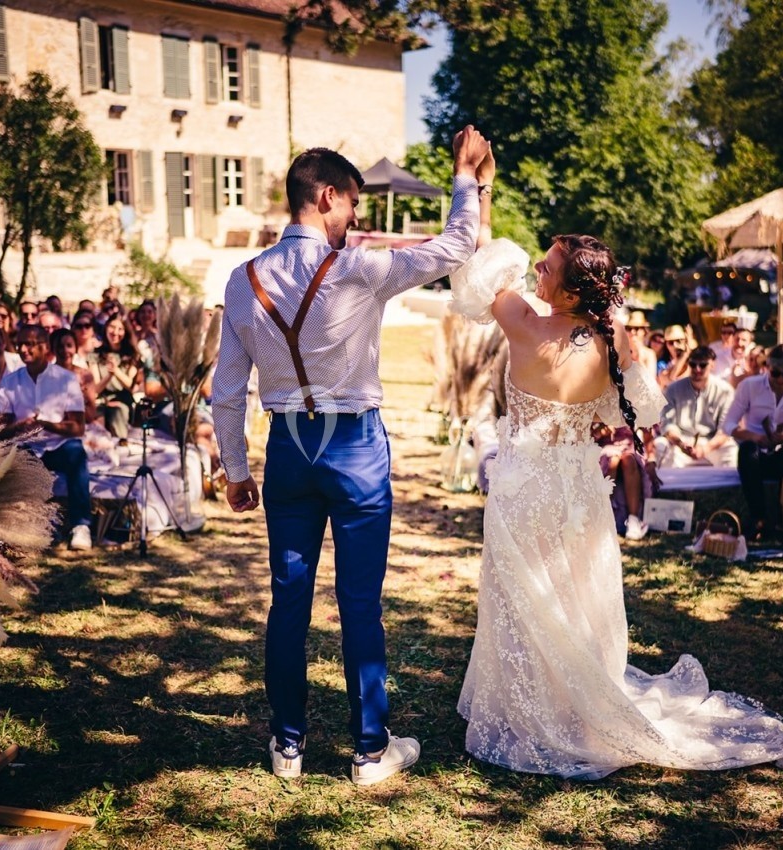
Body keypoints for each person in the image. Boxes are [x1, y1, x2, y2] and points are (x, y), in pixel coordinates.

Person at [452, 230, 783, 779]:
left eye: (546, 269)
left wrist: (480, 184)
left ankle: (529, 711)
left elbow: (481, 265)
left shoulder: (524, 326)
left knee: (521, 597)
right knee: (574, 595)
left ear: (571, 293)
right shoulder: (613, 341)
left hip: (524, 486)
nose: (535, 275)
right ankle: (575, 707)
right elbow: (637, 415)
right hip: (578, 488)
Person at [211, 128, 492, 785]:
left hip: (286, 451)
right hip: (355, 446)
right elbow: (455, 247)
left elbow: (227, 391)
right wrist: (464, 177)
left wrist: (236, 470)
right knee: (359, 603)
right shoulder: (360, 267)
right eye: (353, 207)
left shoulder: (242, 279)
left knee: (288, 601)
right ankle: (370, 750)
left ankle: (287, 747)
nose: (356, 219)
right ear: (327, 197)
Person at [0, 324, 94, 551]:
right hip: (27, 446)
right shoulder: (10, 382)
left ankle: (81, 525)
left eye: (29, 344)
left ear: (44, 346)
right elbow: (0, 428)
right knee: (13, 459)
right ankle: (34, 526)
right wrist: (21, 427)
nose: (23, 349)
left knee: (77, 454)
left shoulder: (65, 379)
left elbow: (78, 427)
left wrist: (46, 424)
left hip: (58, 444)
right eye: (19, 344)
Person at [722, 343, 783, 537]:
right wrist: (755, 437)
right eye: (775, 374)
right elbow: (729, 424)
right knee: (748, 450)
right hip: (756, 453)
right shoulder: (750, 385)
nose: (780, 380)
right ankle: (758, 517)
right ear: (767, 368)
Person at [657, 345, 737, 469]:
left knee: (731, 450)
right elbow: (668, 424)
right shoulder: (673, 389)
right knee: (659, 446)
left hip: (711, 442)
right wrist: (681, 444)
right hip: (681, 440)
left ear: (712, 365)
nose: (697, 369)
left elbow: (725, 430)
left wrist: (705, 449)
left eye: (703, 365)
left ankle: (725, 488)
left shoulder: (725, 391)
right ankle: (671, 488)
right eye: (693, 365)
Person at [91, 315, 141, 439]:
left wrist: (116, 371)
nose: (115, 332)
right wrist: (109, 375)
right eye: (112, 327)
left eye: (120, 329)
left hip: (122, 400)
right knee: (98, 427)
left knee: (117, 418)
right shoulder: (95, 354)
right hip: (101, 401)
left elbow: (131, 386)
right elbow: (96, 389)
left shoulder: (132, 355)